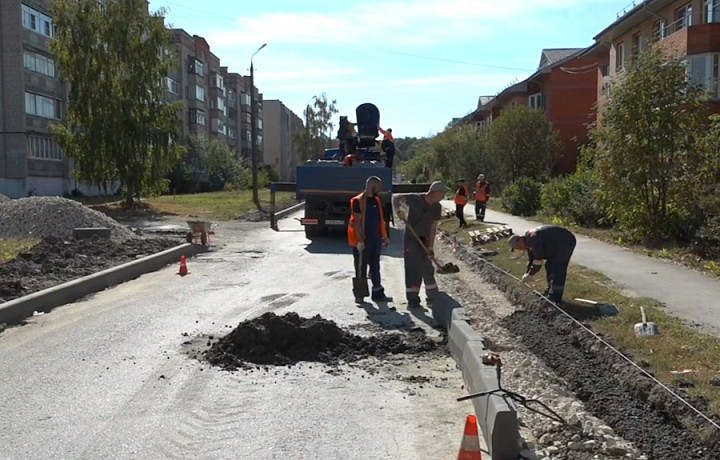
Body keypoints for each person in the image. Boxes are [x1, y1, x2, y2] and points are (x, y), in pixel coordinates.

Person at [392, 181, 445, 309]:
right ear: (434, 192)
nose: (443, 196)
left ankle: (432, 299)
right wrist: (398, 210)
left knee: (428, 268)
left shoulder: (437, 207)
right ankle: (413, 300)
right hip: (412, 238)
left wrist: (430, 246)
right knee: (413, 269)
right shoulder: (416, 199)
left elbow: (433, 227)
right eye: (442, 193)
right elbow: (396, 197)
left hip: (425, 239)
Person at [348, 176, 391, 303]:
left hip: (375, 238)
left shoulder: (376, 200)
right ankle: (359, 295)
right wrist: (360, 241)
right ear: (373, 186)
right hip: (362, 239)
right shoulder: (358, 201)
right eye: (378, 186)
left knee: (375, 266)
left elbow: (380, 220)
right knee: (361, 267)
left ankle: (378, 294)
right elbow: (356, 222)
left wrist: (384, 236)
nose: (380, 189)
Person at [508, 225, 577, 304]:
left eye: (518, 247)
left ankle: (555, 299)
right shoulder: (528, 240)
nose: (519, 249)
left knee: (558, 268)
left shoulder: (533, 239)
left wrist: (531, 274)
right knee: (549, 265)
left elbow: (538, 260)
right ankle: (550, 291)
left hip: (565, 241)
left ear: (519, 240)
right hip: (556, 244)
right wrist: (526, 273)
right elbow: (532, 259)